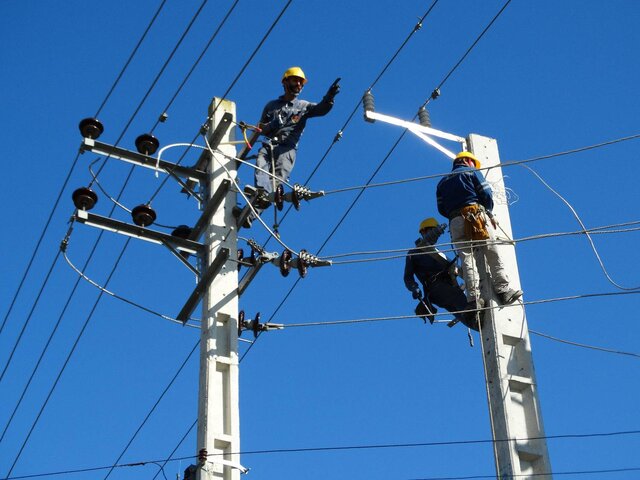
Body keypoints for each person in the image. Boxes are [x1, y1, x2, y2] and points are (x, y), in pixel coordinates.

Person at [436, 151, 522, 313]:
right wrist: (487, 210)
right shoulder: (471, 172)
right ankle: (503, 290)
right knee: (491, 250)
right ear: (468, 161)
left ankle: (474, 299)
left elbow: (441, 208)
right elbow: (486, 193)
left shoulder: (442, 183)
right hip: (475, 215)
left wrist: (455, 214)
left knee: (466, 259)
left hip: (454, 221)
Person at [250, 66, 340, 214]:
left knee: (276, 181)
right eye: (295, 81)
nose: (299, 85)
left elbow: (321, 109)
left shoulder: (303, 106)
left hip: (287, 149)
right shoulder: (271, 106)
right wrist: (272, 125)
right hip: (270, 145)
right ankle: (261, 193)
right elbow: (259, 129)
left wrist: (329, 97)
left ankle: (252, 214)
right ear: (285, 82)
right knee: (261, 165)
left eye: (301, 82)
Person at [404, 217, 474, 329]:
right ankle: (473, 315)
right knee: (461, 302)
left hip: (449, 287)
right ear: (423, 232)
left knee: (465, 315)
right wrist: (414, 288)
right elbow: (408, 277)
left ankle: (477, 324)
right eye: (431, 231)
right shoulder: (414, 254)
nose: (435, 235)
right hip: (435, 288)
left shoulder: (439, 255)